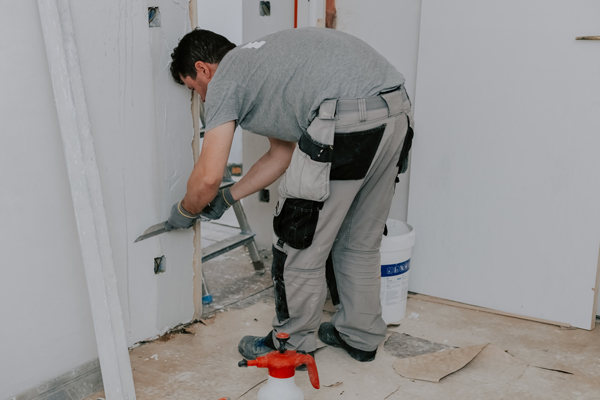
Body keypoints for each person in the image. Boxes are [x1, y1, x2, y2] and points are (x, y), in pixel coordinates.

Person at [167, 27, 413, 363]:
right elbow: (281, 155)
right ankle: (360, 336)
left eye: (197, 90)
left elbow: (208, 176)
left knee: (300, 242)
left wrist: (186, 209)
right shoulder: (262, 62)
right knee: (359, 239)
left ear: (202, 69)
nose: (205, 99)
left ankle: (290, 345)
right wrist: (229, 197)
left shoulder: (226, 76)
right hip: (396, 112)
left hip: (344, 119)